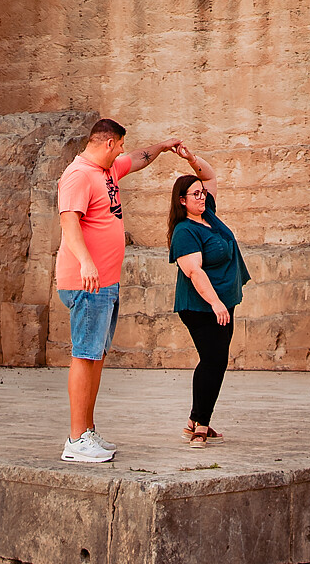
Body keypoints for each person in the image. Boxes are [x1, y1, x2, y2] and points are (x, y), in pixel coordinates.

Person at [56, 117, 180, 463]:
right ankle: (76, 439)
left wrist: (163, 147)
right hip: (87, 282)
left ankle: (87, 431)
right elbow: (69, 222)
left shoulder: (106, 171)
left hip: (105, 285)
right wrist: (86, 262)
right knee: (84, 355)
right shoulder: (79, 175)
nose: (123, 151)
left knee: (96, 356)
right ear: (108, 143)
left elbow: (139, 158)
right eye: (120, 145)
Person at [167, 143, 250, 445]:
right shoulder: (185, 231)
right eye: (195, 194)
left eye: (202, 193)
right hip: (200, 306)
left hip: (222, 303)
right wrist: (215, 303)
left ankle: (196, 419)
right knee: (212, 360)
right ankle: (200, 423)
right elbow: (194, 271)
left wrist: (191, 159)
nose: (202, 197)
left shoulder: (208, 215)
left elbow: (211, 176)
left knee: (217, 360)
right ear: (182, 201)